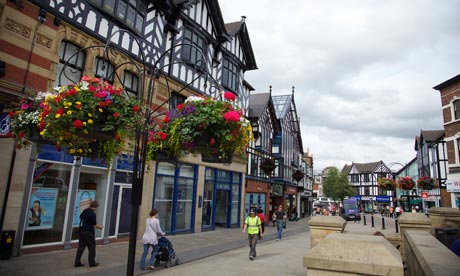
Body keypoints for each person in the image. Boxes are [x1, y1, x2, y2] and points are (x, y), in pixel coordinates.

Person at [75, 200, 103, 268]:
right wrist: (100, 227)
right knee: (92, 248)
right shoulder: (93, 214)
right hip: (89, 233)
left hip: (82, 232)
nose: (96, 209)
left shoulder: (85, 211)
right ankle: (92, 263)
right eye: (96, 207)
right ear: (95, 207)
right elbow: (94, 225)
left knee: (80, 248)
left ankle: (77, 262)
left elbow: (80, 217)